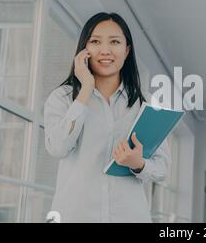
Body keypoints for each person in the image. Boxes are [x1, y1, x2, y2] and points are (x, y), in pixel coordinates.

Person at [44, 12, 170, 222]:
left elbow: (162, 168)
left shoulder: (145, 104)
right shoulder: (63, 98)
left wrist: (138, 163)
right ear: (84, 49)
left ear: (126, 50)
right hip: (75, 215)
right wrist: (85, 90)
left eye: (114, 42)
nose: (105, 50)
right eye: (95, 41)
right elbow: (57, 147)